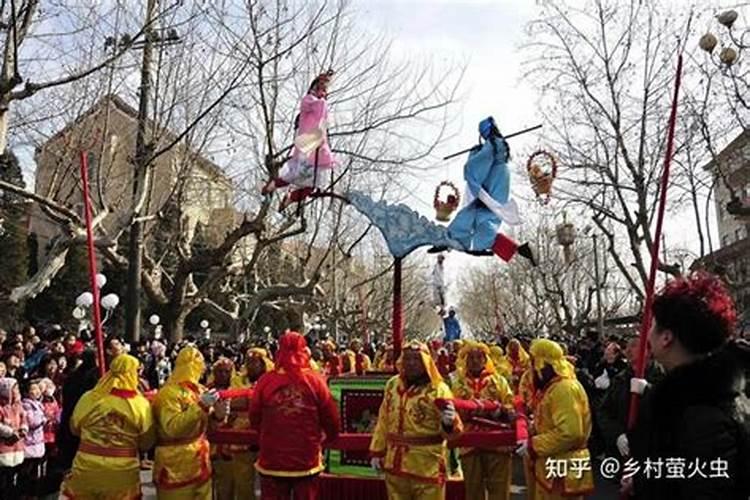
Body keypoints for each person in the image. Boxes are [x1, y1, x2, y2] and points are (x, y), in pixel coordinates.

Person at [625, 272, 750, 499]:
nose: (648, 333)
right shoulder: (694, 399)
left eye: (653, 325)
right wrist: (642, 483)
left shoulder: (703, 416)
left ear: (666, 338)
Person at [430, 116, 535, 265]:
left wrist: (474, 155)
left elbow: (474, 167)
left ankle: (449, 240)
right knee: (486, 222)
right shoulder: (499, 145)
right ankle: (517, 249)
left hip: (491, 187)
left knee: (469, 214)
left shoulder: (492, 145)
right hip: (498, 186)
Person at [249, 331, 340, 500]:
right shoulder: (315, 380)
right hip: (306, 457)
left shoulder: (266, 381)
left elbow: (254, 416)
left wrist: (267, 434)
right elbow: (331, 417)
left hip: (272, 457)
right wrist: (329, 437)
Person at [369, 341, 462, 500]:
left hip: (426, 466)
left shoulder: (438, 389)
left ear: (426, 361)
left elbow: (454, 430)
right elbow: (384, 420)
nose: (411, 363)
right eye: (407, 359)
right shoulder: (392, 385)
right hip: (395, 465)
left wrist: (448, 423)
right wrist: (377, 451)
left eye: (416, 359)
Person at [60, 354, 155, 499]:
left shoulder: (90, 397)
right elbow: (146, 442)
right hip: (121, 472)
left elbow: (74, 427)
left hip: (87, 467)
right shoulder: (140, 404)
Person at [518, 339, 593, 500]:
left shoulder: (564, 389)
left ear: (543, 364)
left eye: (533, 363)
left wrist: (533, 445)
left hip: (563, 471)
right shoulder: (552, 388)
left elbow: (571, 433)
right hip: (553, 466)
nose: (531, 370)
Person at [153, 346, 223, 499]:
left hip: (200, 462)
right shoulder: (169, 394)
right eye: (200, 364)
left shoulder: (200, 390)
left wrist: (220, 413)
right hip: (176, 465)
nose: (203, 368)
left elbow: (211, 424)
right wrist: (201, 407)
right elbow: (172, 428)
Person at [261, 70, 336, 210]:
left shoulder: (320, 102)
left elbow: (323, 119)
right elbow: (318, 109)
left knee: (314, 183)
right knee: (297, 173)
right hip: (309, 141)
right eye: (322, 89)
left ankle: (290, 197)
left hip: (317, 143)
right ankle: (274, 185)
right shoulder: (309, 101)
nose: (324, 92)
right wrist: (321, 97)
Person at [451, 341, 514, 500]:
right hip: (469, 442)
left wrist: (500, 410)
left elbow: (510, 404)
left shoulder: (499, 381)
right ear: (465, 360)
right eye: (471, 358)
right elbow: (452, 409)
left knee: (499, 488)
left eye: (479, 357)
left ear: (486, 360)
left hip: (497, 442)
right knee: (473, 489)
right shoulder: (458, 383)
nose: (475, 361)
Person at [0, 377, 27, 494]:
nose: (17, 391)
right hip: (4, 446)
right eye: (14, 389)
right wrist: (9, 432)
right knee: (3, 477)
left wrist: (24, 428)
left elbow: (24, 418)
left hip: (17, 445)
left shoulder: (18, 406)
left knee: (13, 475)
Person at [20, 379, 46, 497]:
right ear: (26, 392)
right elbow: (32, 422)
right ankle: (26, 494)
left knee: (36, 471)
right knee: (27, 471)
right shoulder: (26, 405)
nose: (36, 391)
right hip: (29, 443)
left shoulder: (38, 404)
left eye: (37, 389)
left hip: (37, 443)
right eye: (33, 389)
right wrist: (43, 419)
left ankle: (33, 494)